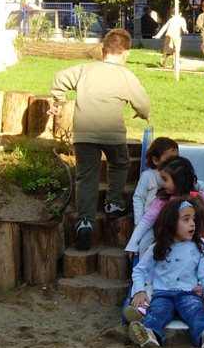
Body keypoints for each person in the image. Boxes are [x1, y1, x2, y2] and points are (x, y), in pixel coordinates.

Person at [49, 29, 151, 251]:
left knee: (86, 177)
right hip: (112, 134)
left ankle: (84, 222)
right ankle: (114, 203)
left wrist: (58, 99)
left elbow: (60, 78)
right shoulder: (126, 76)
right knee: (120, 163)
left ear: (103, 51)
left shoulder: (85, 69)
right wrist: (144, 114)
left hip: (84, 133)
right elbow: (143, 103)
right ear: (126, 54)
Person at [127, 197, 204, 348]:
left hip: (189, 294)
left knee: (197, 314)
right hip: (163, 294)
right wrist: (140, 291)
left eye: (193, 219)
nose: (192, 223)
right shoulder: (157, 248)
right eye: (186, 220)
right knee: (157, 314)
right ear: (171, 223)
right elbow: (139, 271)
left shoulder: (199, 247)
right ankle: (150, 336)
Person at [125, 156, 204, 255]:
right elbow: (147, 220)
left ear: (179, 180)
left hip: (195, 241)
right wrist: (133, 243)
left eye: (165, 179)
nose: (162, 183)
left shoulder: (199, 197)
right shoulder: (163, 200)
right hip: (170, 243)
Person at [133, 137, 204, 226]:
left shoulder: (180, 176)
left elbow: (202, 186)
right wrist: (138, 222)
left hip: (176, 221)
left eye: (177, 158)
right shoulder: (147, 176)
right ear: (155, 160)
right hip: (152, 222)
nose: (174, 162)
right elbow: (139, 198)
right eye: (169, 158)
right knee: (146, 244)